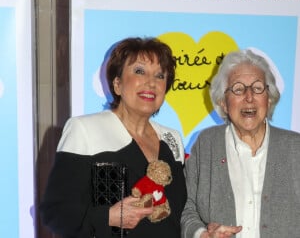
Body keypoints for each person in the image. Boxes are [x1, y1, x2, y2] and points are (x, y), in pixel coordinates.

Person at [40, 37, 187, 238]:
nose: (151, 83)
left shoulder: (172, 138)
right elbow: (55, 213)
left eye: (160, 76)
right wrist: (108, 216)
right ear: (117, 84)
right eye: (139, 71)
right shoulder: (84, 129)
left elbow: (181, 212)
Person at [181, 49, 300, 238]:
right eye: (238, 89)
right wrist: (202, 234)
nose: (249, 97)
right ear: (223, 103)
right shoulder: (206, 144)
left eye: (258, 88)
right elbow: (186, 208)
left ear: (269, 99)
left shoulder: (296, 148)